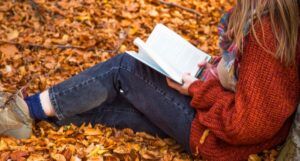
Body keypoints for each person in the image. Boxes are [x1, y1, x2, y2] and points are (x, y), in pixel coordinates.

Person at [0, 0, 299, 160]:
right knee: (125, 100)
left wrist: (197, 89)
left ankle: (23, 111)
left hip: (216, 140)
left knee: (125, 69)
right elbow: (248, 86)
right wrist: (212, 68)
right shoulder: (265, 22)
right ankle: (34, 119)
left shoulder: (266, 34)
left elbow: (245, 124)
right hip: (215, 131)